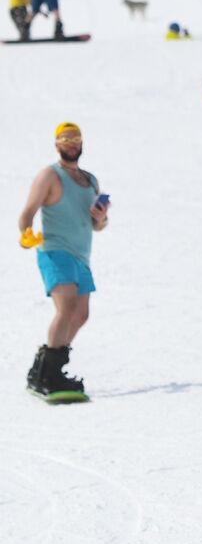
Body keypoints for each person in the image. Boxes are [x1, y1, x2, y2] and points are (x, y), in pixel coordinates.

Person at [18, 122, 110, 398]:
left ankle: (44, 367)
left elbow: (98, 226)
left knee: (81, 315)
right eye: (65, 139)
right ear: (56, 144)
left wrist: (101, 217)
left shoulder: (90, 180)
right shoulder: (50, 175)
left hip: (81, 255)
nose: (71, 143)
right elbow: (27, 213)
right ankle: (49, 375)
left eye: (75, 139)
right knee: (67, 306)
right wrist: (26, 235)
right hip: (55, 249)